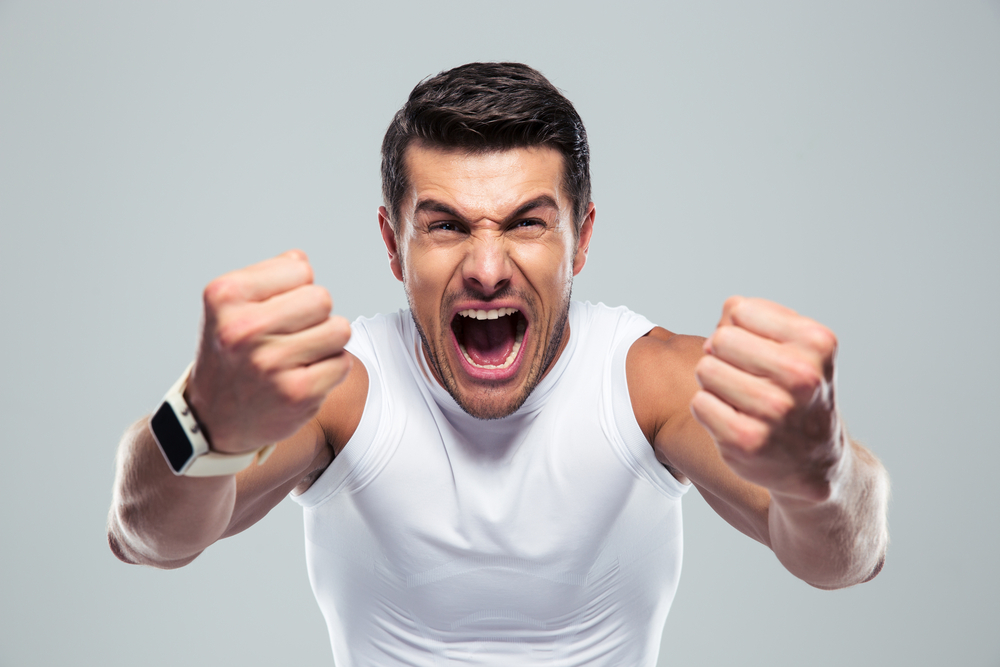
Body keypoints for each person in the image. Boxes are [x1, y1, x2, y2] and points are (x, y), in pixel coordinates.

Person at [108, 62, 889, 666]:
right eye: (445, 225)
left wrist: (823, 474)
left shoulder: (647, 384)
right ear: (393, 244)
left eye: (526, 223)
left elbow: (847, 558)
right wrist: (199, 420)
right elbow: (145, 537)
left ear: (581, 238)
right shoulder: (344, 390)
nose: (486, 268)